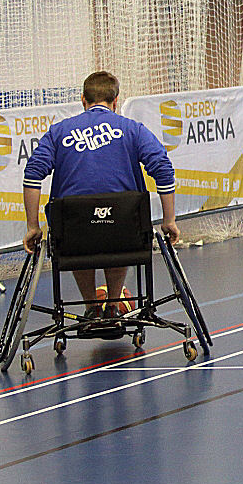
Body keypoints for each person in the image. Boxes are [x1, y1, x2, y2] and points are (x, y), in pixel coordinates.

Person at [23, 70, 179, 319]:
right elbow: (163, 170)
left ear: (83, 100)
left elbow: (32, 174)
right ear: (116, 101)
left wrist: (33, 226)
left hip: (73, 233)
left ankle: (92, 308)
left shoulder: (58, 132)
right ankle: (113, 306)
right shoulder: (133, 129)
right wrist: (169, 220)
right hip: (124, 231)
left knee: (77, 227)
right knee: (120, 221)